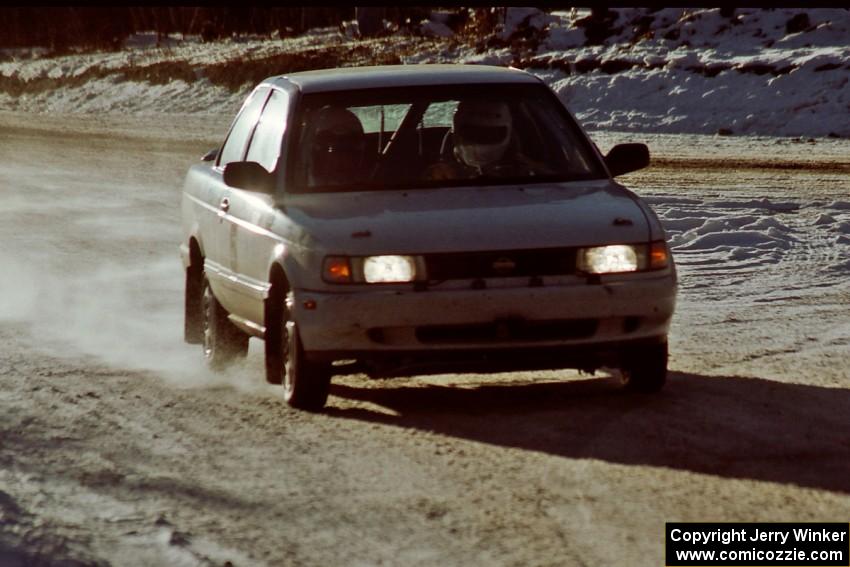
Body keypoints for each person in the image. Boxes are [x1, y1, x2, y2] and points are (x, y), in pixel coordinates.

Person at [425, 100, 549, 181]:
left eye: (491, 134)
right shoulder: (441, 174)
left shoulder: (525, 171)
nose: (481, 140)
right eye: (473, 133)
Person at [306, 105, 367, 187]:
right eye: (331, 148)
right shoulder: (307, 186)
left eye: (347, 149)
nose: (340, 158)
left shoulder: (374, 189)